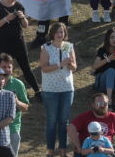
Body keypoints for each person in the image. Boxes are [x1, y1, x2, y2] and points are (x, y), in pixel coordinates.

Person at [0, 0, 40, 97]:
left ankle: (37, 91)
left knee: (26, 67)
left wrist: (22, 17)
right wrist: (6, 18)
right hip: (1, 43)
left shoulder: (19, 5)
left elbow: (25, 25)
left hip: (18, 42)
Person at [40, 22, 76, 157]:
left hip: (67, 88)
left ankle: (63, 150)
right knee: (52, 120)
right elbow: (43, 68)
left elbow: (74, 68)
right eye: (57, 32)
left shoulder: (69, 46)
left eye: (62, 32)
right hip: (50, 89)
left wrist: (70, 63)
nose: (60, 34)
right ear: (52, 34)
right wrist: (60, 64)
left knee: (64, 120)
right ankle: (50, 150)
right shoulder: (46, 47)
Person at [92, 28, 115, 111]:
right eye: (112, 37)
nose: (114, 40)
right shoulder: (102, 50)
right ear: (108, 38)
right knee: (111, 70)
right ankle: (109, 101)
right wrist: (108, 59)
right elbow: (95, 66)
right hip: (102, 83)